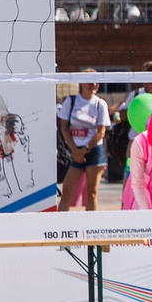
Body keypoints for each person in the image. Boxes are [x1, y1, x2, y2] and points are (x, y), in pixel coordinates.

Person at [57, 75, 107, 210]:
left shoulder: (100, 103)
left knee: (91, 192)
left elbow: (101, 131)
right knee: (67, 192)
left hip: (94, 150)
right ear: (82, 83)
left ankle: (91, 227)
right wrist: (74, 150)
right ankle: (59, 226)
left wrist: (84, 149)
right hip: (75, 150)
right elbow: (64, 126)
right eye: (90, 82)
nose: (94, 85)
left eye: (97, 82)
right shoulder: (71, 101)